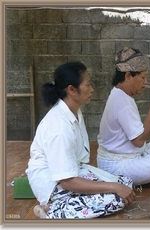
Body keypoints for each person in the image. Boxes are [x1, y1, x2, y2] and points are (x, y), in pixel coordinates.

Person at [25, 61, 136, 219]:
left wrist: (115, 185)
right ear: (71, 90)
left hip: (73, 172)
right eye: (88, 85)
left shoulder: (73, 111)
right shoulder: (59, 128)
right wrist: (112, 187)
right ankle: (53, 209)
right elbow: (67, 182)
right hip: (54, 183)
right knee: (117, 198)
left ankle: (66, 204)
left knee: (125, 182)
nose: (92, 90)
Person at [96, 45, 150, 188]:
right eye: (142, 77)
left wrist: (145, 131)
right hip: (116, 165)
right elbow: (139, 141)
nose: (145, 82)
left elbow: (136, 133)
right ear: (128, 76)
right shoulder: (123, 102)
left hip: (128, 156)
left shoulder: (120, 94)